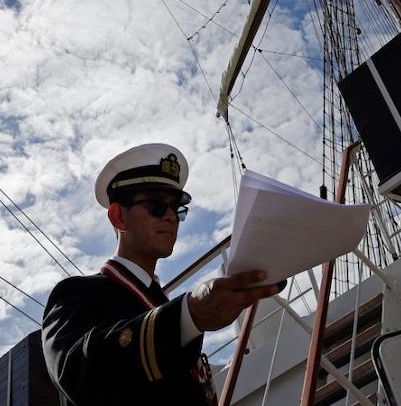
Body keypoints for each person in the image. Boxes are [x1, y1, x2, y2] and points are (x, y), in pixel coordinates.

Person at [42, 143, 279, 405]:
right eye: (156, 206)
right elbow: (78, 375)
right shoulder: (77, 294)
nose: (170, 217)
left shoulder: (165, 308)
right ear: (119, 217)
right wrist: (191, 315)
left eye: (177, 209)